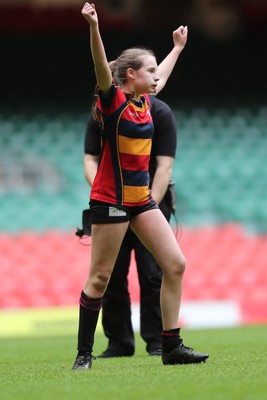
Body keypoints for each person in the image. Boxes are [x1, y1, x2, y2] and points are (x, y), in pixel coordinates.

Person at [73, 2, 208, 370]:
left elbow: (160, 76)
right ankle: (84, 353)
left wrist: (177, 48)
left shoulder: (146, 104)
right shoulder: (113, 102)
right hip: (111, 201)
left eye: (155, 71)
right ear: (130, 75)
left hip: (141, 201)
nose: (155, 77)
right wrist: (93, 27)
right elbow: (102, 67)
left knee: (175, 265)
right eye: (148, 71)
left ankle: (171, 346)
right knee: (99, 278)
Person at [84, 97, 177, 358]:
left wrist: (147, 207)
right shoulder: (100, 113)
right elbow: (90, 160)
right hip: (113, 203)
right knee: (110, 275)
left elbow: (164, 167)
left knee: (152, 274)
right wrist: (108, 195)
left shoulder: (160, 112)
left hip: (149, 201)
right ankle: (119, 343)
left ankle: (159, 341)